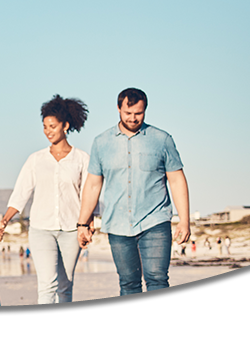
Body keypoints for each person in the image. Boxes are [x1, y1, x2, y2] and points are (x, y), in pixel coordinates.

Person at [77, 88, 190, 307]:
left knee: (157, 281)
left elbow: (176, 180)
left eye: (138, 113)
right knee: (128, 284)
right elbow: (92, 185)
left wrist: (184, 220)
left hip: (155, 221)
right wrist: (83, 223)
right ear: (118, 108)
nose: (133, 118)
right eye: (128, 113)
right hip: (118, 224)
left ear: (145, 110)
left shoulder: (162, 140)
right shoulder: (101, 142)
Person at [0, 95, 90, 304]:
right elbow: (21, 193)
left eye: (52, 126)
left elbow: (89, 195)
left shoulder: (82, 159)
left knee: (65, 286)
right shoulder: (36, 159)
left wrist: (88, 224)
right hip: (41, 229)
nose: (48, 131)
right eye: (45, 126)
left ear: (65, 125)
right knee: (47, 284)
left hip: (71, 230)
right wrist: (5, 219)